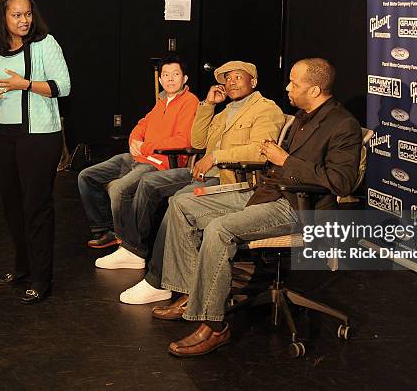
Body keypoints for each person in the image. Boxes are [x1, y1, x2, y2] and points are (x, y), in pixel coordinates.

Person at [157, 58, 362, 357]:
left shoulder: (343, 125)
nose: (288, 87)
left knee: (219, 229)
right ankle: (192, 294)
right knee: (183, 204)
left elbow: (341, 182)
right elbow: (201, 140)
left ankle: (213, 326)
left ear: (316, 89)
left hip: (299, 206)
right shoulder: (303, 115)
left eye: (295, 83)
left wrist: (285, 161)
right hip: (268, 191)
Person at [95, 60, 285, 305]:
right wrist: (208, 105)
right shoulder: (226, 110)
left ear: (254, 82)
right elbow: (198, 141)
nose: (231, 82)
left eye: (238, 77)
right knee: (150, 184)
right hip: (207, 172)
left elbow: (261, 151)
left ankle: (158, 280)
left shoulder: (266, 109)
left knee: (179, 202)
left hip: (234, 180)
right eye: (227, 78)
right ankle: (135, 251)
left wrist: (215, 157)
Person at [0, 0, 71, 304]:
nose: (24, 20)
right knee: (13, 205)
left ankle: (41, 277)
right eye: (16, 15)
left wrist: (26, 84)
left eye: (28, 14)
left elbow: (63, 86)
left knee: (36, 206)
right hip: (2, 135)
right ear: (2, 17)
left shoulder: (46, 44)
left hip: (38, 136)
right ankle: (21, 267)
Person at [77, 54, 199, 258]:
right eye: (166, 75)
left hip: (160, 163)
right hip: (138, 158)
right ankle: (106, 231)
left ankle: (129, 248)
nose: (170, 79)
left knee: (119, 189)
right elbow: (142, 124)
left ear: (184, 79)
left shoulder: (189, 102)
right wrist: (135, 141)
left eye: (175, 74)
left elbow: (183, 141)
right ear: (160, 79)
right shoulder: (162, 101)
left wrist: (146, 147)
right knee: (87, 176)